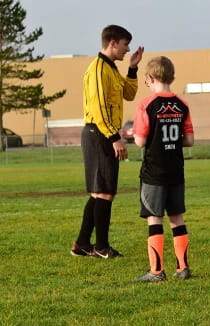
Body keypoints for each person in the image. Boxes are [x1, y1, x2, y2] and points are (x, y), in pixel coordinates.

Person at [71, 25, 144, 258]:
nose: (128, 48)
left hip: (102, 132)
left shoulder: (111, 69)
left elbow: (129, 94)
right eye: (125, 44)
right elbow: (98, 107)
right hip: (98, 133)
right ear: (112, 43)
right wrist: (115, 137)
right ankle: (101, 247)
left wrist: (132, 68)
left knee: (99, 192)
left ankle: (82, 244)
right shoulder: (98, 70)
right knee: (104, 192)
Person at [132, 56, 194, 282]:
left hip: (154, 172)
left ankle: (156, 271)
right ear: (173, 77)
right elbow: (189, 140)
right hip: (176, 170)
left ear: (149, 78)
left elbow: (139, 141)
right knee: (177, 218)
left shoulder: (146, 105)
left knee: (154, 218)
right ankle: (183, 267)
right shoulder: (182, 104)